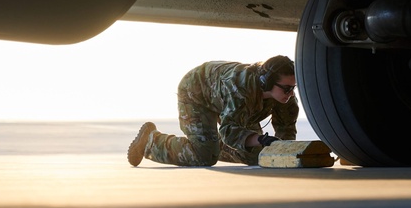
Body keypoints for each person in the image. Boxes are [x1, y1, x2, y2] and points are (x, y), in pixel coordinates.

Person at [127, 55, 298, 167]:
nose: (291, 94)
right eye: (286, 88)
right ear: (266, 83)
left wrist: (283, 151)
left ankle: (212, 145)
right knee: (204, 156)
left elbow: (286, 133)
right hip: (196, 93)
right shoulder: (239, 90)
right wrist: (263, 139)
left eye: (293, 88)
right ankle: (151, 141)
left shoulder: (285, 97)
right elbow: (230, 132)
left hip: (229, 104)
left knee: (256, 157)